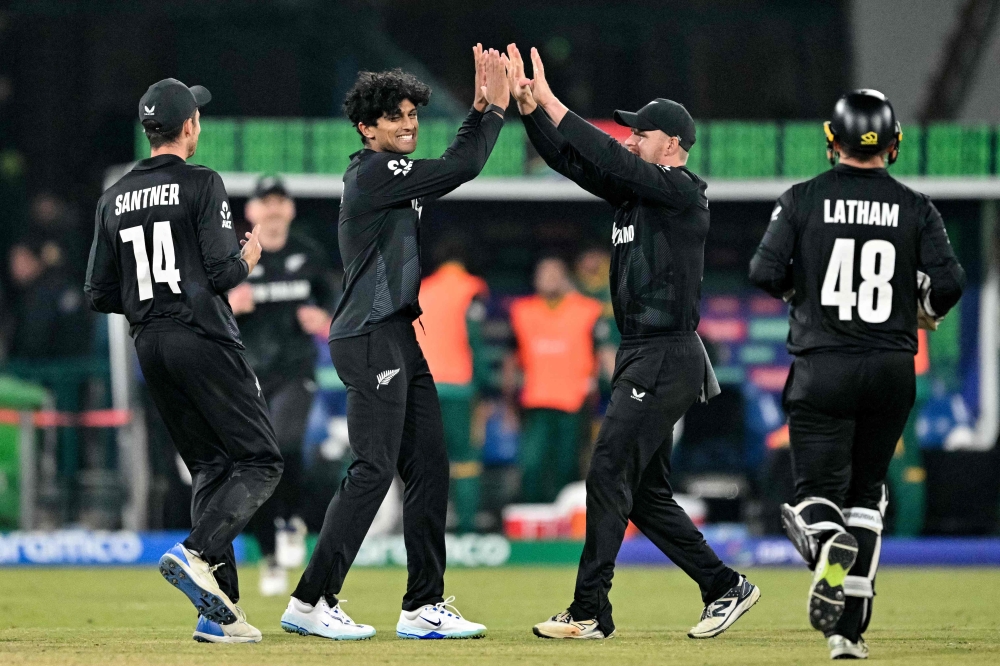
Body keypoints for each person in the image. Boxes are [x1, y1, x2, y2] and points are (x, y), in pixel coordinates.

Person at [505, 44, 759, 641]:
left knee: (607, 470)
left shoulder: (681, 190)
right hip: (643, 352)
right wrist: (529, 113)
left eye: (639, 133)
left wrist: (551, 99)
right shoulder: (638, 191)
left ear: (670, 143)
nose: (629, 139)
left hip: (667, 352)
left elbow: (595, 149)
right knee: (642, 494)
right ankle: (725, 586)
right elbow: (573, 160)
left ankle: (590, 609)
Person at [279, 46, 509, 641]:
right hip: (369, 335)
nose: (408, 123)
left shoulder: (391, 173)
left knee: (429, 465)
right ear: (367, 127)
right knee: (373, 467)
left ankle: (422, 606)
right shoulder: (373, 174)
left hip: (399, 335)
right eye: (396, 116)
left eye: (412, 113)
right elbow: (462, 167)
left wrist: (478, 112)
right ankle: (310, 600)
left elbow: (448, 164)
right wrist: (490, 113)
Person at [749, 89, 965, 660]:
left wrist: (807, 294)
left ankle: (827, 548)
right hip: (893, 369)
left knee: (816, 498)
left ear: (832, 141)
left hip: (825, 365)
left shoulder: (801, 199)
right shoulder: (917, 207)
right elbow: (949, 284)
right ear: (894, 145)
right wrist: (927, 310)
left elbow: (763, 270)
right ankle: (848, 631)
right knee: (868, 494)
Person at [84, 78, 282, 644]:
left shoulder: (112, 196)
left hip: (150, 343)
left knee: (211, 468)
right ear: (189, 126)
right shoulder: (202, 183)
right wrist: (247, 256)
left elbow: (98, 294)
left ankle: (218, 616)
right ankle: (197, 552)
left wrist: (152, 305)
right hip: (202, 337)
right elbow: (222, 276)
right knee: (261, 461)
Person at [230, 175, 338, 597]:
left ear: (290, 210)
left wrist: (323, 320)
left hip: (295, 369)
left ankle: (292, 520)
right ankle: (270, 553)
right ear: (252, 212)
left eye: (280, 202)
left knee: (285, 444)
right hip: (250, 373)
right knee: (256, 461)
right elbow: (205, 305)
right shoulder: (236, 258)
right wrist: (227, 305)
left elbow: (332, 303)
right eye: (265, 203)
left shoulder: (307, 254)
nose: (273, 210)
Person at [507, 257, 603, 503]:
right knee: (532, 465)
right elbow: (511, 358)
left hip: (574, 404)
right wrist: (508, 402)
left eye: (554, 274)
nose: (549, 279)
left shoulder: (587, 311)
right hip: (536, 402)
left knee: (568, 467)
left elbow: (603, 354)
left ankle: (567, 527)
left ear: (565, 278)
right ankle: (531, 522)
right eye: (543, 274)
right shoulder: (522, 311)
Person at [414, 240, 490, 533]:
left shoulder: (421, 288)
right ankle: (467, 528)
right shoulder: (472, 289)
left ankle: (424, 527)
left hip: (423, 386)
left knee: (426, 459)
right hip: (459, 388)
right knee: (465, 458)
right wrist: (486, 385)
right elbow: (475, 339)